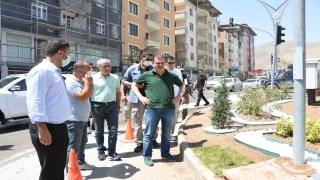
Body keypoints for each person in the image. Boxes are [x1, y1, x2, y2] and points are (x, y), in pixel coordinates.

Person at [26, 39, 71, 179]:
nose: (68, 58)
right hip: (48, 128)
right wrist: (42, 129)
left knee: (57, 168)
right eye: (67, 54)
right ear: (60, 53)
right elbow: (35, 101)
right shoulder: (42, 71)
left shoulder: (54, 71)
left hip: (58, 127)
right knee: (51, 172)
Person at [132, 54, 185, 166]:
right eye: (157, 63)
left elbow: (182, 85)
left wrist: (179, 96)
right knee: (149, 134)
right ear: (153, 64)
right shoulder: (147, 75)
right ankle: (147, 156)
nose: (160, 65)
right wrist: (141, 97)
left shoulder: (171, 75)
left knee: (166, 134)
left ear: (165, 63)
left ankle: (165, 153)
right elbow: (134, 85)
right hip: (152, 109)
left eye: (162, 63)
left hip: (169, 109)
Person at [122, 52, 159, 153]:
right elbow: (124, 81)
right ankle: (139, 142)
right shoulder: (132, 69)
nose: (149, 61)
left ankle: (153, 139)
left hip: (151, 98)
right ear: (141, 58)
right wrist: (135, 84)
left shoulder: (153, 69)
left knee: (153, 119)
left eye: (151, 59)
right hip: (136, 98)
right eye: (147, 59)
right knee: (137, 120)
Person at [65, 60, 95, 172]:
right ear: (79, 70)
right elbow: (82, 97)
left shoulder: (82, 80)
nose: (90, 71)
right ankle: (69, 171)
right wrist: (87, 82)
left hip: (83, 118)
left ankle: (81, 163)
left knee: (83, 142)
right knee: (73, 147)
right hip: (74, 119)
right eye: (88, 69)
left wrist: (89, 83)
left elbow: (90, 94)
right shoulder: (71, 82)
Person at [91, 58, 121, 161]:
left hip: (112, 106)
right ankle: (101, 150)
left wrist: (118, 106)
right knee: (99, 130)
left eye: (109, 66)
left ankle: (112, 151)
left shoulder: (115, 77)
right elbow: (88, 93)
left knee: (113, 130)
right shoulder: (93, 78)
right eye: (104, 66)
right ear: (99, 67)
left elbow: (118, 92)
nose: (107, 68)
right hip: (97, 106)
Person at [165, 56, 183, 141]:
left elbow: (181, 84)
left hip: (175, 98)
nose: (171, 64)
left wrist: (180, 96)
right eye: (169, 63)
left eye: (173, 63)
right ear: (166, 62)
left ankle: (170, 133)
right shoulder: (162, 71)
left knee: (174, 116)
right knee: (164, 117)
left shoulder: (177, 71)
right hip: (164, 99)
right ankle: (164, 135)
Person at [87, 66, 98, 134]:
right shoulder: (86, 78)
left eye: (95, 70)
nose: (93, 71)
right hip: (87, 98)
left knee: (95, 114)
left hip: (95, 98)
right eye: (92, 70)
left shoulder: (97, 78)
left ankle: (93, 129)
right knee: (87, 114)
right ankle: (88, 127)